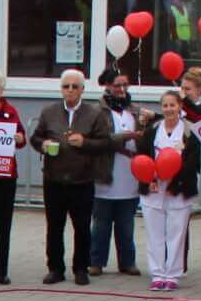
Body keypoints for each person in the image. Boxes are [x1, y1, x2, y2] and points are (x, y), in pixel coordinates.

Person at [28, 68, 104, 285]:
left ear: (82, 89)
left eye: (74, 87)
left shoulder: (94, 113)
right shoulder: (49, 112)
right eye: (65, 86)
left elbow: (105, 143)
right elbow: (35, 137)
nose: (70, 90)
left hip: (82, 179)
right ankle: (55, 268)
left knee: (81, 227)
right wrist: (42, 145)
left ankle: (81, 268)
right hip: (54, 179)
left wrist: (85, 143)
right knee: (54, 226)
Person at [137, 87, 201, 291]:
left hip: (179, 189)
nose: (168, 109)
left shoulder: (189, 131)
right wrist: (150, 178)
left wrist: (175, 183)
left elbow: (193, 163)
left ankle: (173, 274)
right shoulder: (152, 131)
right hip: (154, 188)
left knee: (176, 232)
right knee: (154, 233)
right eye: (165, 105)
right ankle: (157, 273)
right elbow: (143, 157)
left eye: (172, 105)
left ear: (180, 107)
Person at [88, 69, 143, 279]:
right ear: (108, 86)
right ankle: (96, 261)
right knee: (101, 223)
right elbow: (99, 138)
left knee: (126, 224)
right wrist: (124, 136)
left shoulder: (135, 111)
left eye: (125, 85)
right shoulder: (97, 112)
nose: (121, 90)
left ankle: (127, 262)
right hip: (106, 172)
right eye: (117, 85)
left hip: (130, 174)